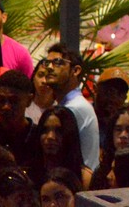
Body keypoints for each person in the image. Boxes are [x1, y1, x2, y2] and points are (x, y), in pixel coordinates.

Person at [41, 43, 99, 172]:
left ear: (76, 70)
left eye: (57, 62)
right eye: (47, 63)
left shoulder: (76, 107)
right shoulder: (65, 105)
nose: (49, 68)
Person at [35, 106, 89, 187]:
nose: (50, 137)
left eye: (58, 131)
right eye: (45, 130)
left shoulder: (84, 177)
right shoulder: (31, 173)